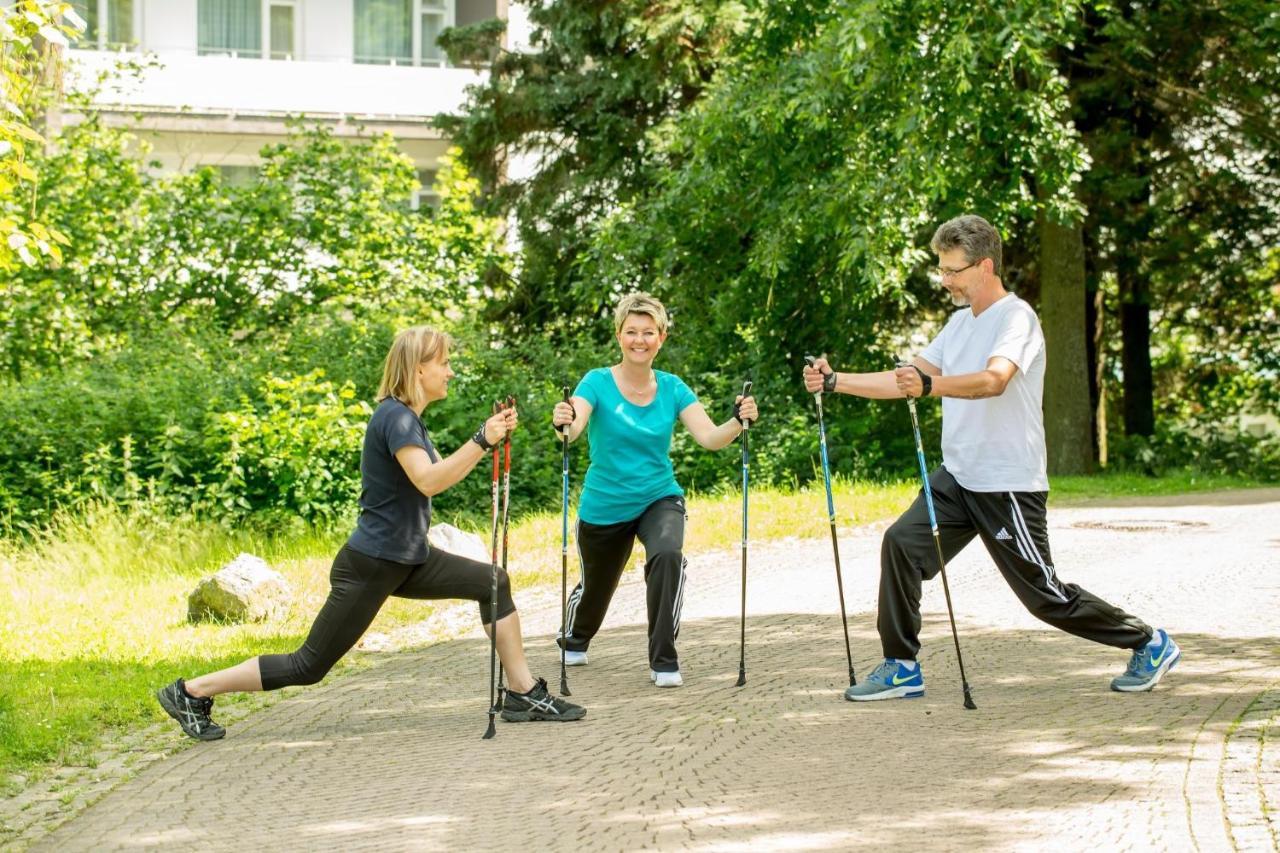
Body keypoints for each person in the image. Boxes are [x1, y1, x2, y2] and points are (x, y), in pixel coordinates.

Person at [803, 214, 1180, 702]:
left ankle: (1149, 642)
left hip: (1006, 483)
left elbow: (993, 379)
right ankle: (901, 666)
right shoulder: (959, 324)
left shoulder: (1016, 317)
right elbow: (906, 379)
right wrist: (837, 381)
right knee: (900, 544)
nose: (945, 280)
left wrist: (932, 386)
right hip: (959, 477)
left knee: (1044, 598)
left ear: (984, 266)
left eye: (953, 270)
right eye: (940, 269)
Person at [156, 326, 584, 740]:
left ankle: (522, 693)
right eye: (445, 363)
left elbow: (440, 474)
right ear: (419, 369)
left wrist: (486, 440)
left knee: (493, 582)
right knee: (308, 666)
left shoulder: (409, 420)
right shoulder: (395, 418)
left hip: (409, 558)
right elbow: (428, 480)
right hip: (373, 564)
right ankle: (191, 691)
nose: (450, 371)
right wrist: (481, 439)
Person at [551, 293, 758, 687]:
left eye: (648, 332)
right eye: (631, 332)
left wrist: (738, 421)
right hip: (605, 504)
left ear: (661, 338)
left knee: (667, 554)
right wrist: (566, 418)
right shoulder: (596, 381)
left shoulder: (673, 387)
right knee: (597, 587)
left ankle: (664, 659)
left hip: (658, 496)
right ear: (619, 336)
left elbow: (710, 437)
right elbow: (574, 425)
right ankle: (576, 636)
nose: (639, 340)